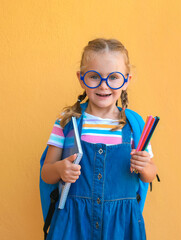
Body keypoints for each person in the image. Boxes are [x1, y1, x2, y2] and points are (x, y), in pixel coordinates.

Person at [41, 38, 157, 240]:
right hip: (73, 225)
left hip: (122, 227)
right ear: (81, 78)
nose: (104, 86)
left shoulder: (135, 125)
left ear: (127, 80)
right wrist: (60, 169)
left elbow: (149, 175)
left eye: (114, 77)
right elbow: (46, 173)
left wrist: (145, 166)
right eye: (94, 77)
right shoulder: (66, 122)